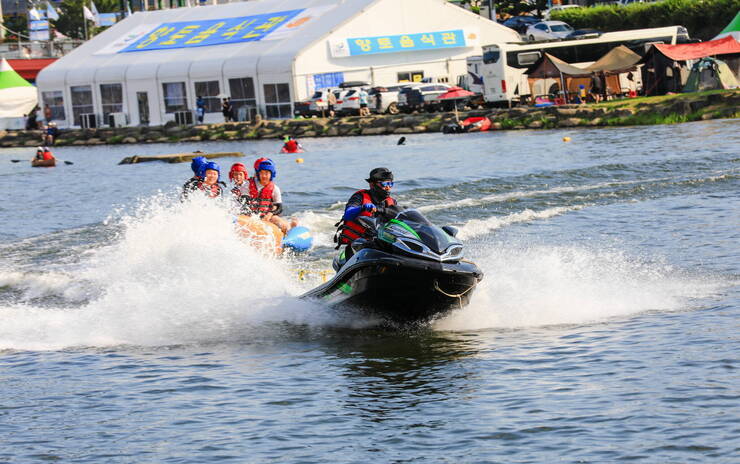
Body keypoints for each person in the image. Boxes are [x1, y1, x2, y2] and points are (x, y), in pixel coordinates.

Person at [334, 167, 397, 257]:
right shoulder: (359, 197)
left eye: (390, 184)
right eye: (384, 184)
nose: (388, 188)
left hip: (382, 243)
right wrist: (362, 208)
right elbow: (348, 214)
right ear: (372, 185)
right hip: (358, 247)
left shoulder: (391, 202)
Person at [247, 158, 296, 233]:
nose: (263, 176)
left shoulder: (275, 189)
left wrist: (269, 214)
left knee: (282, 224)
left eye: (266, 173)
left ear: (271, 174)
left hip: (268, 215)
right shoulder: (248, 185)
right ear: (258, 174)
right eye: (261, 173)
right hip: (251, 215)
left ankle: (290, 229)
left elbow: (279, 207)